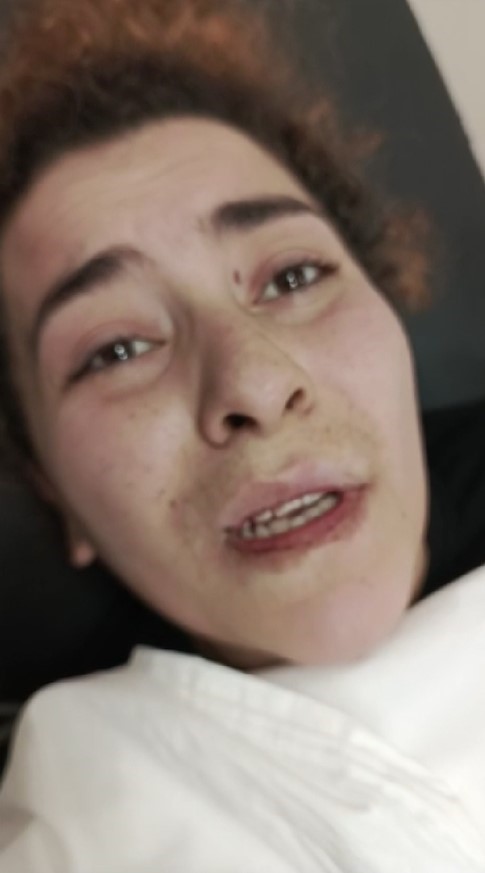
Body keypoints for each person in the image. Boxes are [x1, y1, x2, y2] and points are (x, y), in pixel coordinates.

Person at [0, 0, 484, 869]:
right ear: (54, 491)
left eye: (292, 276)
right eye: (116, 349)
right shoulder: (91, 800)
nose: (256, 385)